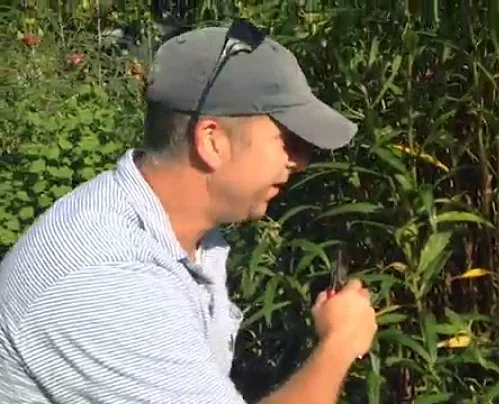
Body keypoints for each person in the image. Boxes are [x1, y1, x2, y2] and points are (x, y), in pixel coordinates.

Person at [0, 20, 378, 404]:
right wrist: (341, 343)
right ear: (211, 140)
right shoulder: (109, 281)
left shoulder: (184, 231)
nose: (300, 162)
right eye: (290, 141)